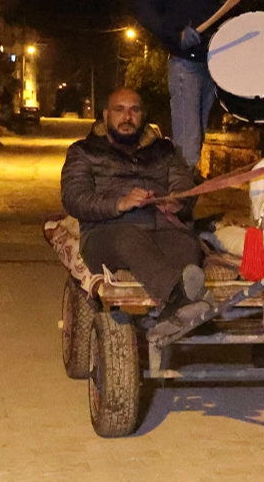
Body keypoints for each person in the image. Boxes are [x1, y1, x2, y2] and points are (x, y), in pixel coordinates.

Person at [60, 87, 211, 341]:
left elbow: (184, 185)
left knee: (188, 244)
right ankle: (179, 296)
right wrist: (119, 203)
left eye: (134, 110)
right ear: (106, 115)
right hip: (106, 234)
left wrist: (177, 201)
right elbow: (74, 198)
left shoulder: (164, 150)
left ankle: (171, 317)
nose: (127, 117)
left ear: (143, 115)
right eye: (119, 110)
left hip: (161, 228)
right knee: (127, 238)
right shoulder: (84, 151)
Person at [134, 0, 221, 172]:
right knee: (187, 147)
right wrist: (176, 34)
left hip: (210, 63)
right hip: (185, 65)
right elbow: (143, 7)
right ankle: (178, 197)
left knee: (196, 143)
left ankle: (181, 195)